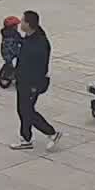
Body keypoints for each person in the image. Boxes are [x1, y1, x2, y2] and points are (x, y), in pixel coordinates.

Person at [11, 10, 59, 150]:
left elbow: (40, 67)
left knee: (27, 111)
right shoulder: (29, 37)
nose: (21, 23)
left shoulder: (39, 44)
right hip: (22, 81)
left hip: (32, 83)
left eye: (23, 21)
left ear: (29, 24)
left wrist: (35, 85)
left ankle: (51, 132)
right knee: (23, 109)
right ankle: (26, 138)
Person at [0, 15, 22, 88]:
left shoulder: (9, 33)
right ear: (12, 27)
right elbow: (11, 47)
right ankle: (7, 78)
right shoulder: (11, 36)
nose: (17, 27)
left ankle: (1, 75)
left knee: (7, 64)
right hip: (10, 54)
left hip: (6, 53)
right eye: (16, 25)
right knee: (11, 66)